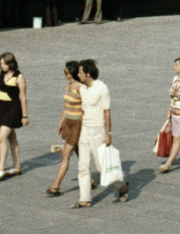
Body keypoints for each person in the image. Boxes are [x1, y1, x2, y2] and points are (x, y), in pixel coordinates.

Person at [74, 59, 128, 207]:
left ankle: (121, 185)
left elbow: (107, 112)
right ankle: (84, 199)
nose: (78, 75)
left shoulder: (101, 88)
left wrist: (108, 133)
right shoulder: (82, 88)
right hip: (85, 130)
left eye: (80, 72)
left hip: (98, 131)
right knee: (82, 166)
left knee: (101, 167)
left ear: (88, 73)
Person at [47, 59, 83, 196]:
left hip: (77, 124)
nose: (64, 74)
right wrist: (61, 122)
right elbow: (66, 106)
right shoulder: (68, 86)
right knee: (79, 153)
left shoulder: (80, 88)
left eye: (66, 72)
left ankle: (55, 187)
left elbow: (86, 107)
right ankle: (90, 181)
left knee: (65, 155)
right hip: (69, 122)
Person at [0, 51, 27, 180]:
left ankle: (1, 167)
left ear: (11, 63)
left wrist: (25, 116)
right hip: (1, 107)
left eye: (4, 64)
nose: (2, 66)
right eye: (0, 64)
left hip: (13, 108)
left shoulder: (19, 76)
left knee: (2, 137)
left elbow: (22, 97)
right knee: (11, 137)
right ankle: (16, 165)